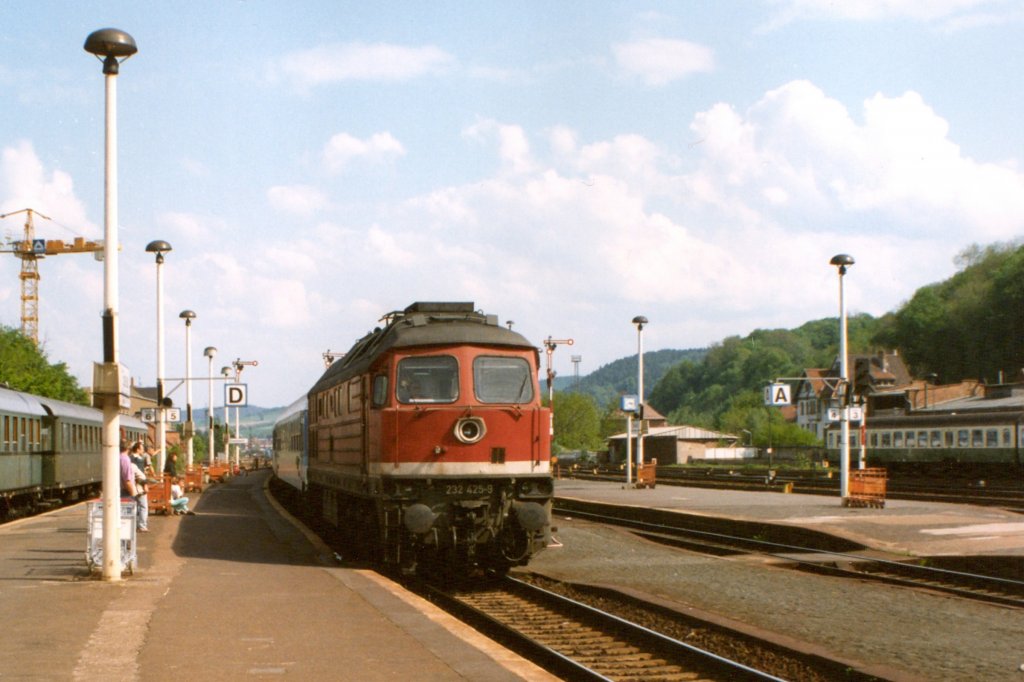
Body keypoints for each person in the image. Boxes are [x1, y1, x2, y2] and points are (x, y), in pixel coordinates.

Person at [128, 442, 150, 533]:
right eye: (142, 448)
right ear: (137, 449)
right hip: (139, 486)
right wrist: (145, 484)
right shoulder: (139, 460)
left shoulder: (129, 458)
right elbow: (140, 475)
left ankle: (135, 524)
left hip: (130, 486)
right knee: (143, 506)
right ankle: (142, 525)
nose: (143, 450)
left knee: (135, 506)